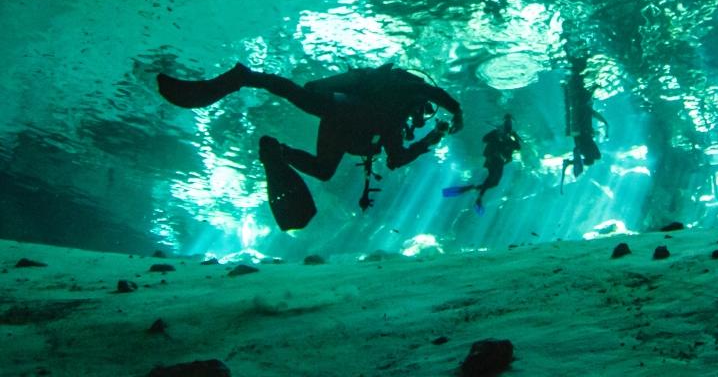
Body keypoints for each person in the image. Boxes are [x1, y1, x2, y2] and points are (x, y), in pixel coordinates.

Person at [156, 62, 463, 229]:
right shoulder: (406, 91)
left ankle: (279, 150)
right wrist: (456, 110)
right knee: (296, 97)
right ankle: (245, 77)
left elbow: (395, 159)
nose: (420, 118)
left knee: (322, 167)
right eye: (424, 111)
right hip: (344, 109)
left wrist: (430, 139)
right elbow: (426, 96)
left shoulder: (395, 121)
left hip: (339, 118)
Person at [443, 114, 521, 213]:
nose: (507, 129)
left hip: (498, 160)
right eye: (507, 123)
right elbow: (485, 139)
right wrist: (497, 134)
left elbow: (517, 147)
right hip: (494, 159)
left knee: (494, 182)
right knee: (492, 179)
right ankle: (478, 194)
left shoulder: (509, 138)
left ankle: (473, 189)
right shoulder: (497, 134)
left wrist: (513, 137)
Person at [561, 55, 609, 189]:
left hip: (581, 133)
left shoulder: (584, 106)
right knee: (594, 158)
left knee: (595, 157)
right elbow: (592, 111)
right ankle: (576, 65)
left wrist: (605, 124)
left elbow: (591, 110)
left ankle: (576, 63)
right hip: (580, 135)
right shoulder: (584, 107)